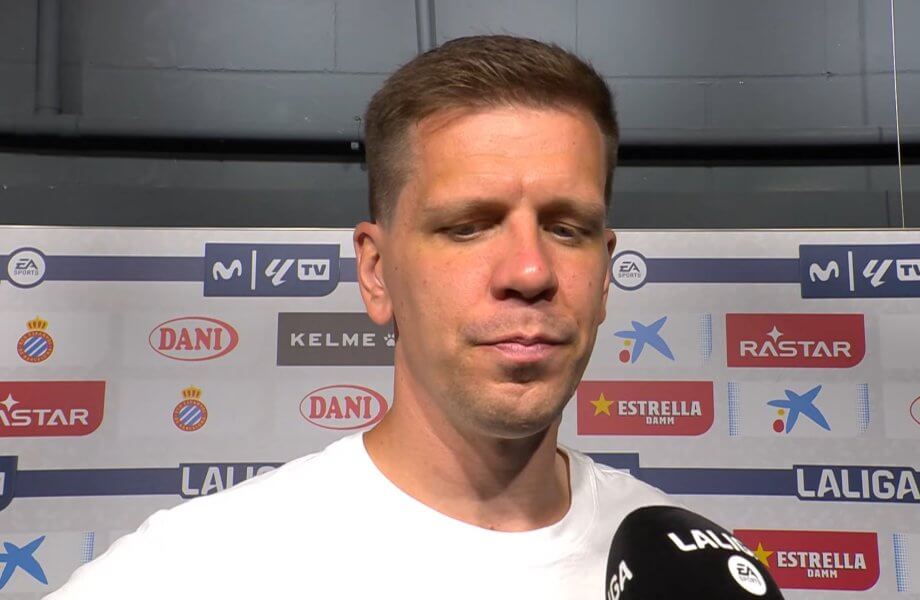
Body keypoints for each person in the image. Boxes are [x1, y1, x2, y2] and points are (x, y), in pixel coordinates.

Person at [47, 35, 678, 599]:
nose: (531, 272)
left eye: (567, 228)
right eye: (468, 227)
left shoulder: (687, 563)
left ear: (604, 276)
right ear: (376, 273)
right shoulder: (195, 571)